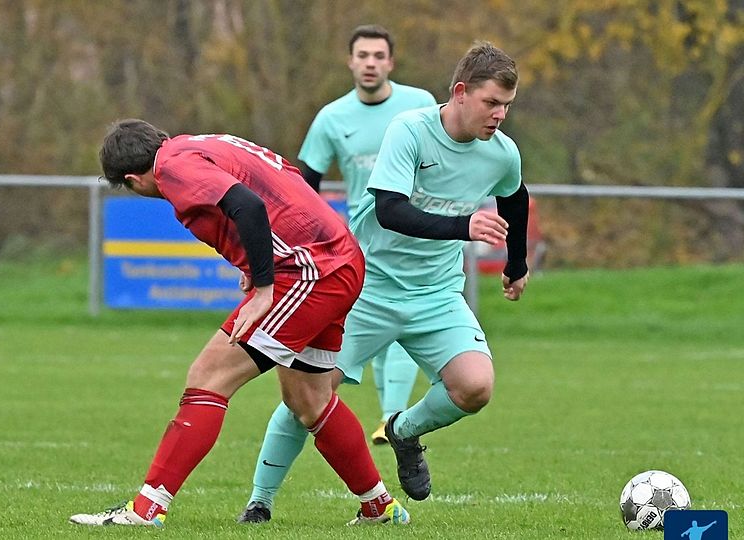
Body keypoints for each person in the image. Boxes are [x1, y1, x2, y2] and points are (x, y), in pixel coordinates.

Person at [68, 119, 410, 528]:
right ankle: (380, 508)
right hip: (336, 261)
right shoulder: (199, 144)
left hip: (307, 272)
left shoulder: (170, 167)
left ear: (132, 179)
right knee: (309, 398)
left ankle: (146, 509)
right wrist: (257, 261)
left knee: (208, 377)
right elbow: (287, 178)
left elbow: (248, 205)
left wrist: (266, 283)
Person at [238, 41, 529, 520]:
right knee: (308, 395)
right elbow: (391, 211)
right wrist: (464, 227)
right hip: (365, 289)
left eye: (507, 106)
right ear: (460, 92)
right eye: (491, 103)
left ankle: (404, 430)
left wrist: (515, 264)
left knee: (475, 387)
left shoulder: (501, 153)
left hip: (436, 295)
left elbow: (515, 199)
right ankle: (260, 501)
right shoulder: (410, 131)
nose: (500, 115)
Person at [298, 24, 437, 448]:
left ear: (391, 63)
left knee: (403, 319)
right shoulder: (332, 117)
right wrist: (315, 235)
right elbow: (306, 184)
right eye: (363, 55)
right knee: (370, 325)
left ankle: (389, 418)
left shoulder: (420, 105)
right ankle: (325, 404)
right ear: (351, 61)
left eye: (379, 55)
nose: (371, 63)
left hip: (416, 237)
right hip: (363, 243)